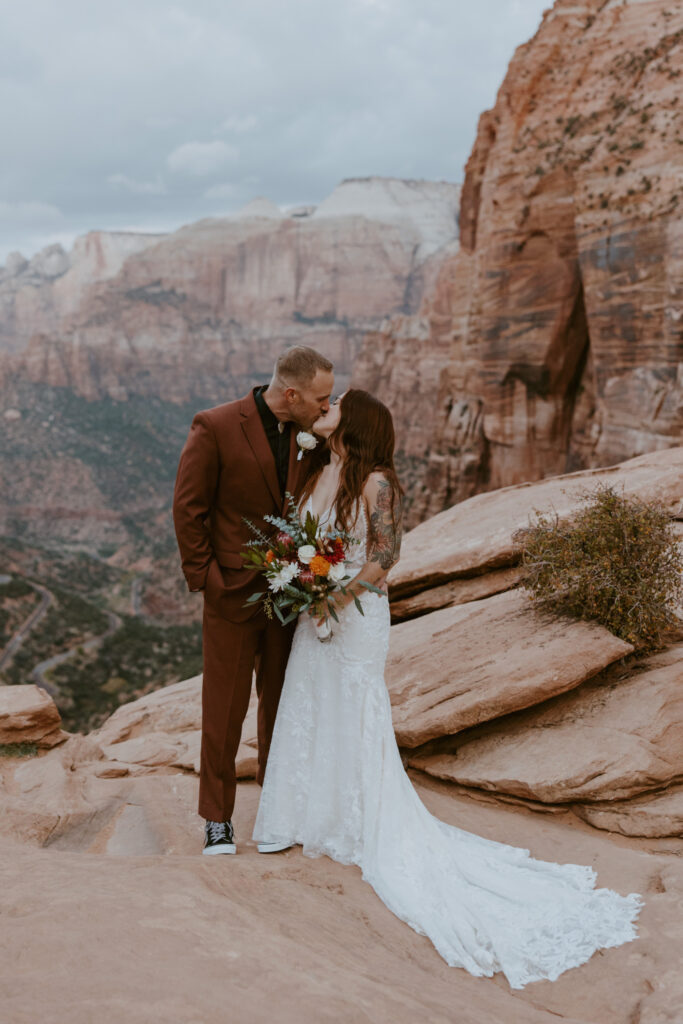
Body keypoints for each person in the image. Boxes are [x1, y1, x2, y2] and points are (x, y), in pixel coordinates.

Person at [252, 388, 643, 989]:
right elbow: (309, 545)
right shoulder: (318, 472)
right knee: (313, 705)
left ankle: (359, 822)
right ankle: (311, 817)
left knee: (355, 710)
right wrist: (302, 580)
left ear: (353, 423)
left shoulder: (377, 483)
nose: (324, 408)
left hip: (356, 617)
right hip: (317, 614)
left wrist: (334, 596)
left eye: (334, 405)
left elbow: (386, 556)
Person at [172, 346, 334, 854]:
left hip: (293, 593)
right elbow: (188, 507)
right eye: (320, 399)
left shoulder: (316, 436)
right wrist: (207, 580)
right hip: (232, 594)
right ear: (291, 394)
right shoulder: (215, 425)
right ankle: (217, 820)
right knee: (224, 710)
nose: (326, 408)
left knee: (282, 706)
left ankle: (276, 807)